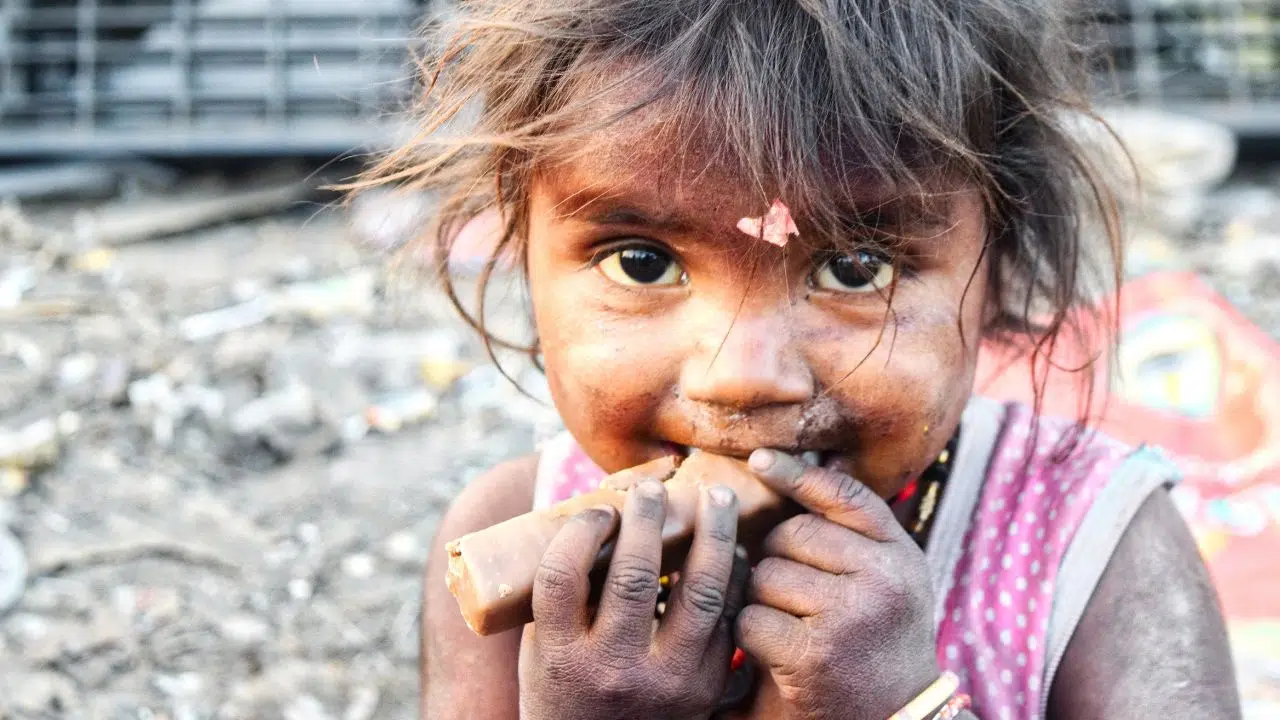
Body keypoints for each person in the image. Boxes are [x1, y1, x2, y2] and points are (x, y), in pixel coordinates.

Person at [353, 1, 1241, 718]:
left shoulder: (1088, 544)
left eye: (856, 268)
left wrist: (904, 707)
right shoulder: (514, 546)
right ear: (523, 249)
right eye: (642, 261)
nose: (741, 374)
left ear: (1002, 270)